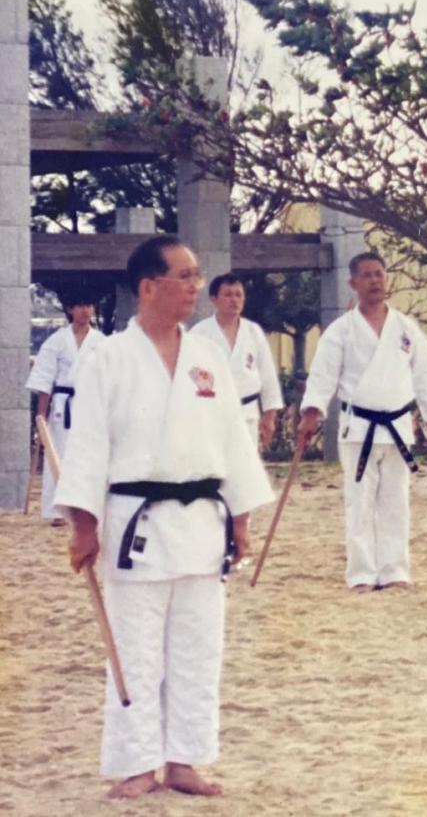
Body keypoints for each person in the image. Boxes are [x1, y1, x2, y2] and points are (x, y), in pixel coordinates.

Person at [54, 236, 274, 799]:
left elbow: (232, 439)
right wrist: (84, 525)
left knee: (198, 650)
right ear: (149, 286)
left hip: (202, 523)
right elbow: (88, 445)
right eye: (186, 276)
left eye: (197, 275)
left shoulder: (207, 357)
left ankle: (184, 760)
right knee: (134, 651)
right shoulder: (108, 357)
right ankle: (136, 763)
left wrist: (241, 518)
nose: (196, 286)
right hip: (138, 526)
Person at [297, 252, 427, 592]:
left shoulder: (406, 327)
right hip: (359, 428)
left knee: (396, 503)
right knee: (360, 503)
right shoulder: (341, 330)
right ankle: (362, 573)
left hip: (398, 426)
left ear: (387, 278)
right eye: (366, 275)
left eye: (379, 273)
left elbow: (425, 375)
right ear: (353, 283)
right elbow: (323, 375)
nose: (375, 280)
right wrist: (312, 412)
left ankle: (395, 570)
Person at [26, 290, 104, 524]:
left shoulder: (102, 342)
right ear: (70, 310)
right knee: (58, 453)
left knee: (89, 456)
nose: (85, 311)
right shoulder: (57, 341)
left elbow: (108, 378)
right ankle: (58, 511)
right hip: (63, 406)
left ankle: (87, 510)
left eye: (89, 305)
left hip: (91, 404)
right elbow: (45, 378)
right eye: (79, 306)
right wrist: (41, 414)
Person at [192, 273, 283, 449]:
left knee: (246, 464)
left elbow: (267, 374)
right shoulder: (200, 333)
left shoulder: (253, 331)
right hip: (212, 413)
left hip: (247, 412)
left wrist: (269, 416)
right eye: (228, 295)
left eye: (238, 295)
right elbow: (192, 373)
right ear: (214, 299)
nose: (234, 300)